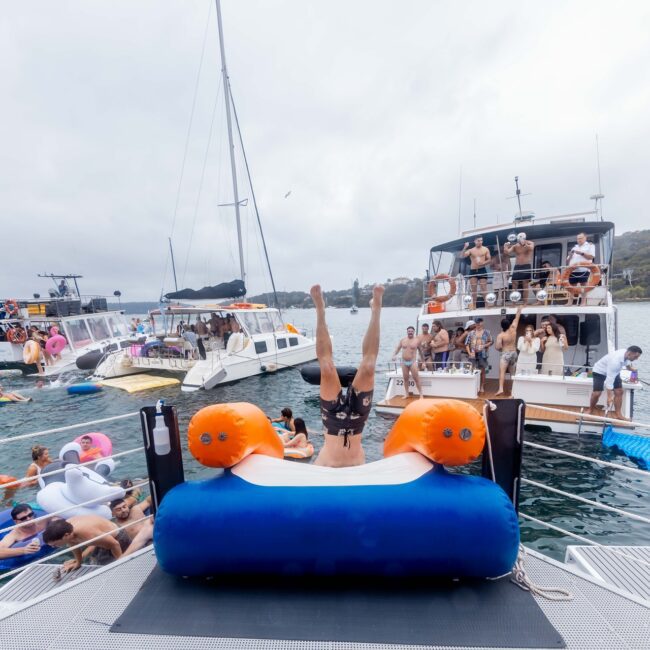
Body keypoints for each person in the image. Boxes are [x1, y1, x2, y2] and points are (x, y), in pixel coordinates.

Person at [311, 283, 383, 467]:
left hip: (333, 420)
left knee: (327, 367)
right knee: (368, 366)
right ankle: (322, 309)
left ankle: (321, 310)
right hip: (357, 419)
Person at [43, 515, 130, 572]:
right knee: (94, 562)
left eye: (55, 544)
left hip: (118, 538)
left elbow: (114, 544)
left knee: (104, 566)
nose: (54, 547)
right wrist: (78, 562)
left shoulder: (85, 532)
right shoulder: (66, 529)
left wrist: (120, 564)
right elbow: (73, 544)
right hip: (102, 537)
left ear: (66, 535)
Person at [589, 346, 642, 420]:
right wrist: (609, 397)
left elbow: (626, 362)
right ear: (630, 353)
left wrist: (630, 369)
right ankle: (590, 410)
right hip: (599, 371)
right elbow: (609, 381)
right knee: (597, 393)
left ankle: (618, 414)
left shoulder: (626, 353)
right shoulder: (615, 362)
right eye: (636, 356)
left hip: (613, 372)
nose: (636, 359)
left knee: (619, 391)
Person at [494, 305, 524, 395]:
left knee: (502, 372)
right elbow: (517, 317)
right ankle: (514, 390)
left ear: (502, 326)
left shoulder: (501, 335)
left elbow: (497, 347)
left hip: (505, 353)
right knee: (512, 373)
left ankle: (501, 389)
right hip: (514, 353)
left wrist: (502, 347)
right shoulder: (513, 329)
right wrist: (519, 309)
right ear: (509, 324)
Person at [393, 326, 423, 398]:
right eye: (409, 331)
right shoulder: (403, 340)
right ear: (407, 332)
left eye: (411, 331)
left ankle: (421, 395)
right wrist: (394, 355)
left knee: (416, 378)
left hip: (412, 362)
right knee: (405, 378)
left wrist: (424, 362)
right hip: (404, 362)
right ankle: (406, 393)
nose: (410, 332)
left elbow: (421, 352)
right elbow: (397, 348)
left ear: (414, 332)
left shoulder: (417, 341)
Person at [504, 232, 535, 303]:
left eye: (522, 238)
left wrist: (525, 244)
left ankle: (525, 302)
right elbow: (507, 252)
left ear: (524, 238)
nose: (520, 240)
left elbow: (531, 248)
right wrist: (505, 246)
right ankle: (514, 302)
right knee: (514, 283)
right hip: (517, 266)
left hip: (526, 266)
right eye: (519, 239)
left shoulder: (530, 243)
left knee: (525, 284)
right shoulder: (515, 246)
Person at [461, 236, 491, 308]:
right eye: (478, 240)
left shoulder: (485, 249)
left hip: (482, 269)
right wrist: (465, 247)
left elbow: (489, 260)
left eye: (481, 240)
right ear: (475, 241)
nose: (480, 242)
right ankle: (474, 305)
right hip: (473, 270)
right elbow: (462, 256)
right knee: (474, 289)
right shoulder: (471, 250)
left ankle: (487, 304)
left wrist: (483, 263)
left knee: (484, 288)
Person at [566, 232, 596, 303]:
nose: (579, 240)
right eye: (578, 238)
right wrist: (570, 255)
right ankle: (570, 302)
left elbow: (591, 257)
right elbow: (567, 261)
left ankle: (583, 302)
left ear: (585, 238)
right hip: (573, 270)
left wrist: (581, 253)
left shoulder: (590, 246)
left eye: (580, 238)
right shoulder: (574, 247)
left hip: (584, 269)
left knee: (583, 286)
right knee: (571, 286)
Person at [465, 318, 492, 393]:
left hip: (482, 354)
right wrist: (469, 353)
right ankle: (473, 386)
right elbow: (466, 344)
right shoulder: (471, 333)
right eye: (476, 323)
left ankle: (482, 386)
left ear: (482, 323)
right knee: (472, 370)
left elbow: (491, 342)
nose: (478, 325)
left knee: (482, 370)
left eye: (479, 323)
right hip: (473, 353)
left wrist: (484, 345)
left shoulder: (487, 332)